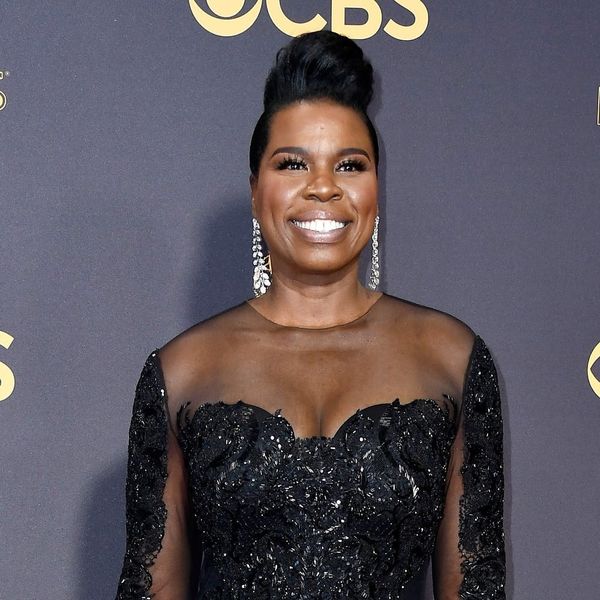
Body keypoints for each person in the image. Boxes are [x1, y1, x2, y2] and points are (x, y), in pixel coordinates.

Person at [115, 31, 505, 600]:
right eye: (293, 164)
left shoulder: (451, 357)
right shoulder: (181, 371)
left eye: (350, 165)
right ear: (256, 191)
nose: (323, 187)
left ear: (375, 188)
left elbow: (476, 585)